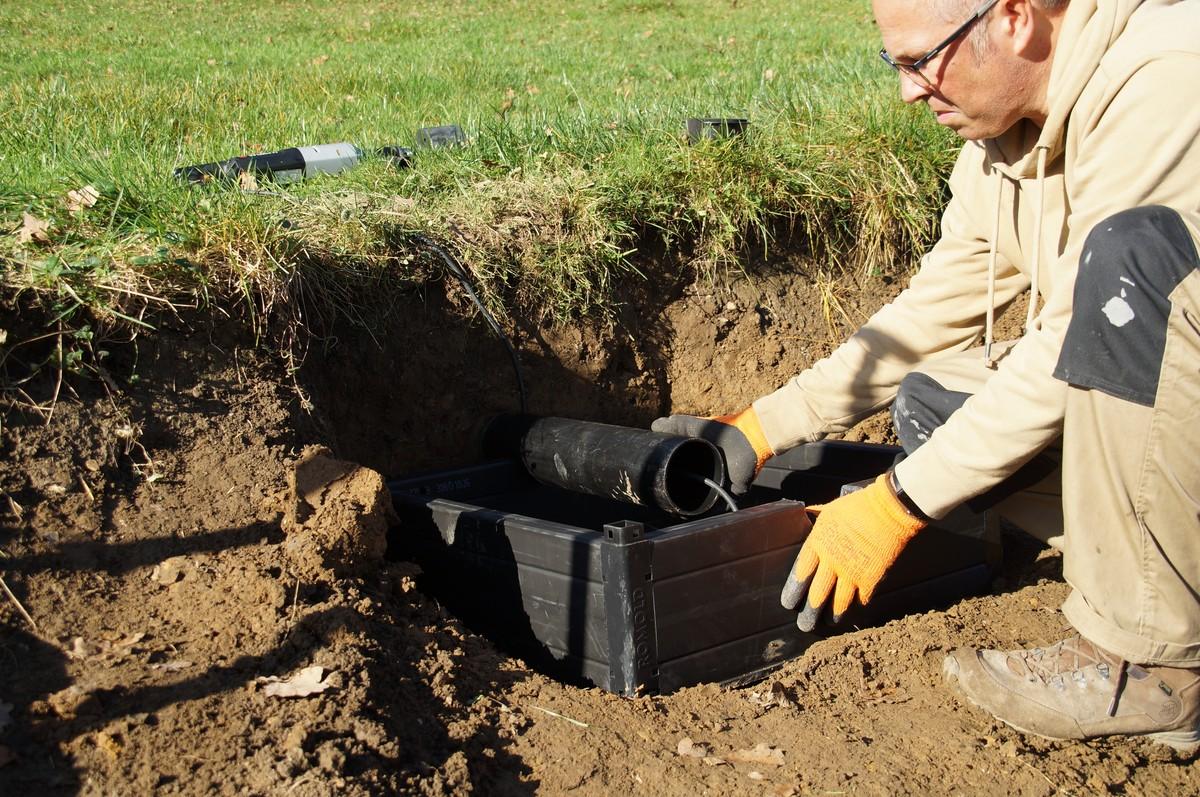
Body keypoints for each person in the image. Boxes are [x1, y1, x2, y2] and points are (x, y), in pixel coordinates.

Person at [654, 0, 1200, 749]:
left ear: (1013, 17)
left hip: (1161, 337)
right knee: (936, 407)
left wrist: (897, 503)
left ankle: (1153, 664)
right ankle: (1153, 578)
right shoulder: (1003, 138)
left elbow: (1089, 324)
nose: (909, 92)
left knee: (1126, 266)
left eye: (921, 60)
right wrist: (761, 428)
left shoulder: (1171, 78)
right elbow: (927, 318)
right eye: (896, 65)